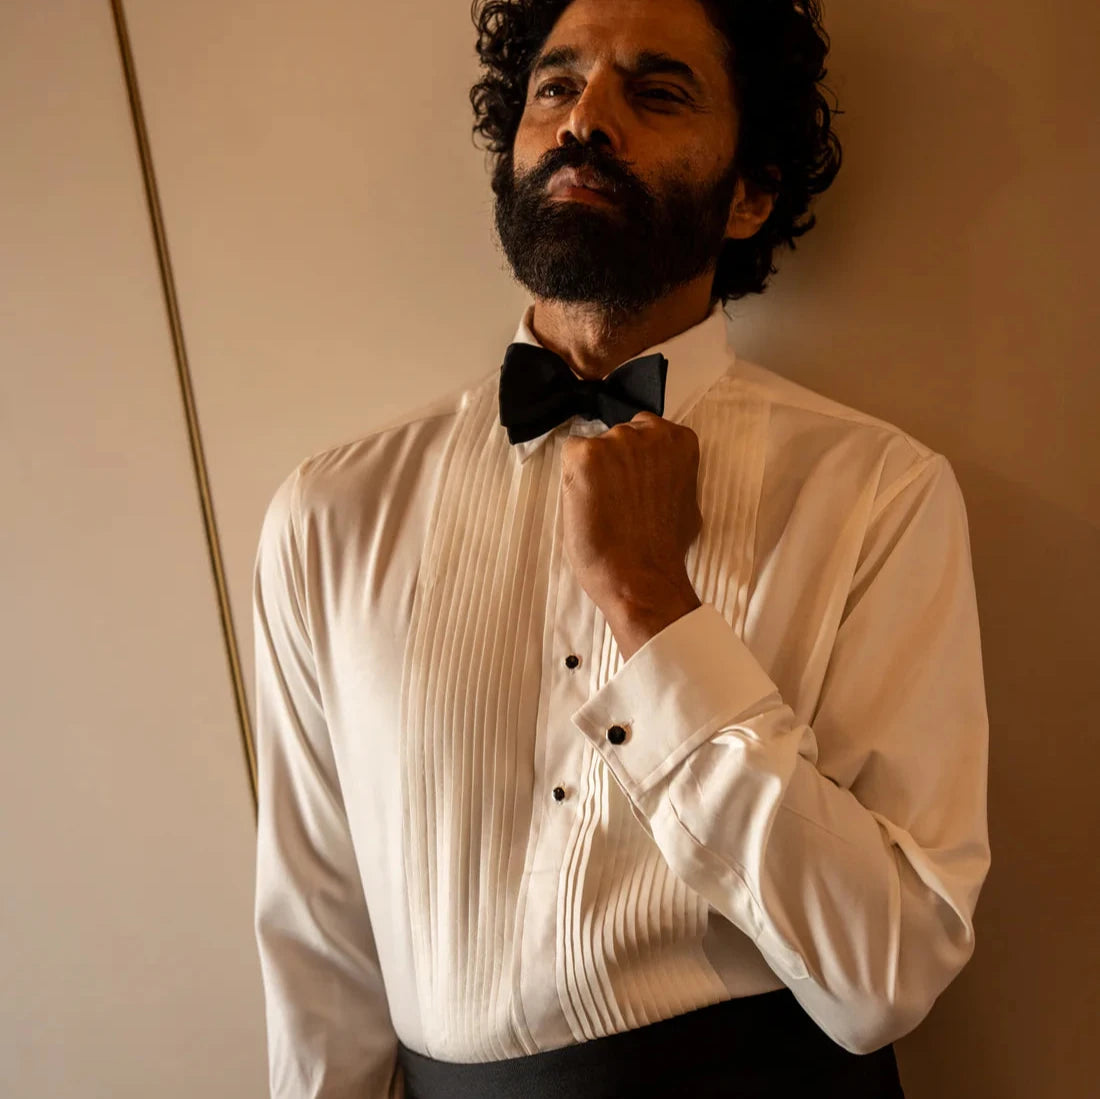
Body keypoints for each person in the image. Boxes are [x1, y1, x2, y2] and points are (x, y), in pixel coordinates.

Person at [251, 0, 991, 1095]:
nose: (584, 119)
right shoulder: (330, 515)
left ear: (749, 194)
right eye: (555, 86)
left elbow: (889, 971)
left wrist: (656, 611)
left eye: (656, 93)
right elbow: (317, 956)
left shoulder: (878, 494)